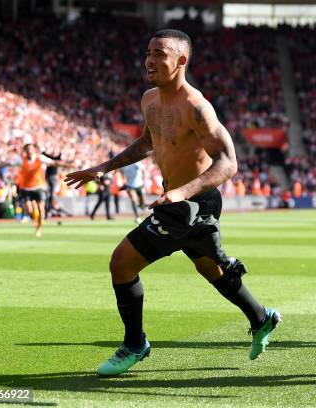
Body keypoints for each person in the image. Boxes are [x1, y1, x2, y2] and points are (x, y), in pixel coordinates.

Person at [65, 29, 280, 376]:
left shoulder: (197, 107)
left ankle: (135, 345)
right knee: (209, 268)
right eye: (148, 52)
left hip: (193, 203)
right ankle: (261, 317)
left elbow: (228, 162)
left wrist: (182, 192)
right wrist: (104, 167)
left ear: (181, 61)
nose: (150, 60)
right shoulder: (149, 99)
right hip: (175, 200)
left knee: (121, 264)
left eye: (159, 54)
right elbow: (148, 142)